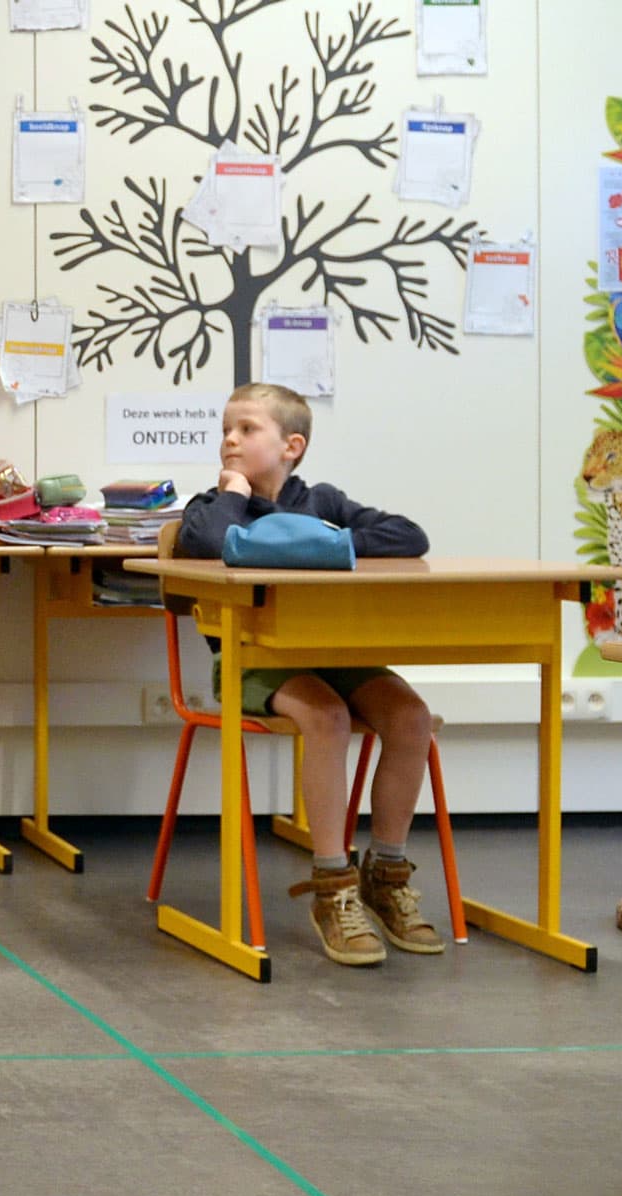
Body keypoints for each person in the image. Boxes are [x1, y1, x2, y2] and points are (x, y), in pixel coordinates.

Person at [175, 382, 439, 967]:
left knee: (411, 716)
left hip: (334, 655)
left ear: (291, 445)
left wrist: (315, 543)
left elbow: (409, 536)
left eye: (247, 430)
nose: (230, 440)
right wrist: (235, 497)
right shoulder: (211, 507)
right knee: (327, 716)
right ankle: (333, 887)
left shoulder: (322, 501)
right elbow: (212, 542)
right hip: (251, 662)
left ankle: (387, 875)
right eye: (226, 429)